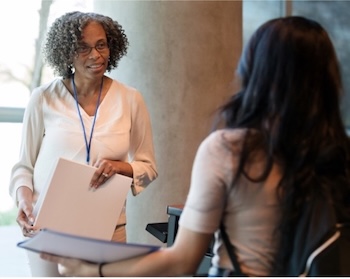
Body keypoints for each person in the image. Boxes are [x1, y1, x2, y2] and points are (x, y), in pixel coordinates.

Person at [40, 16, 350, 276]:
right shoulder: (338, 152)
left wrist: (95, 271)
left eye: (101, 45)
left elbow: (182, 259)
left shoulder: (228, 150)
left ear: (256, 70)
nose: (95, 55)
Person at [9, 11, 158, 277]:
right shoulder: (43, 98)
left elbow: (148, 167)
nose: (96, 55)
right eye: (83, 48)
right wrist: (23, 199)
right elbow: (24, 166)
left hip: (108, 231)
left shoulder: (131, 99)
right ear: (67, 53)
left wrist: (120, 167)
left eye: (101, 44)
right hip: (49, 229)